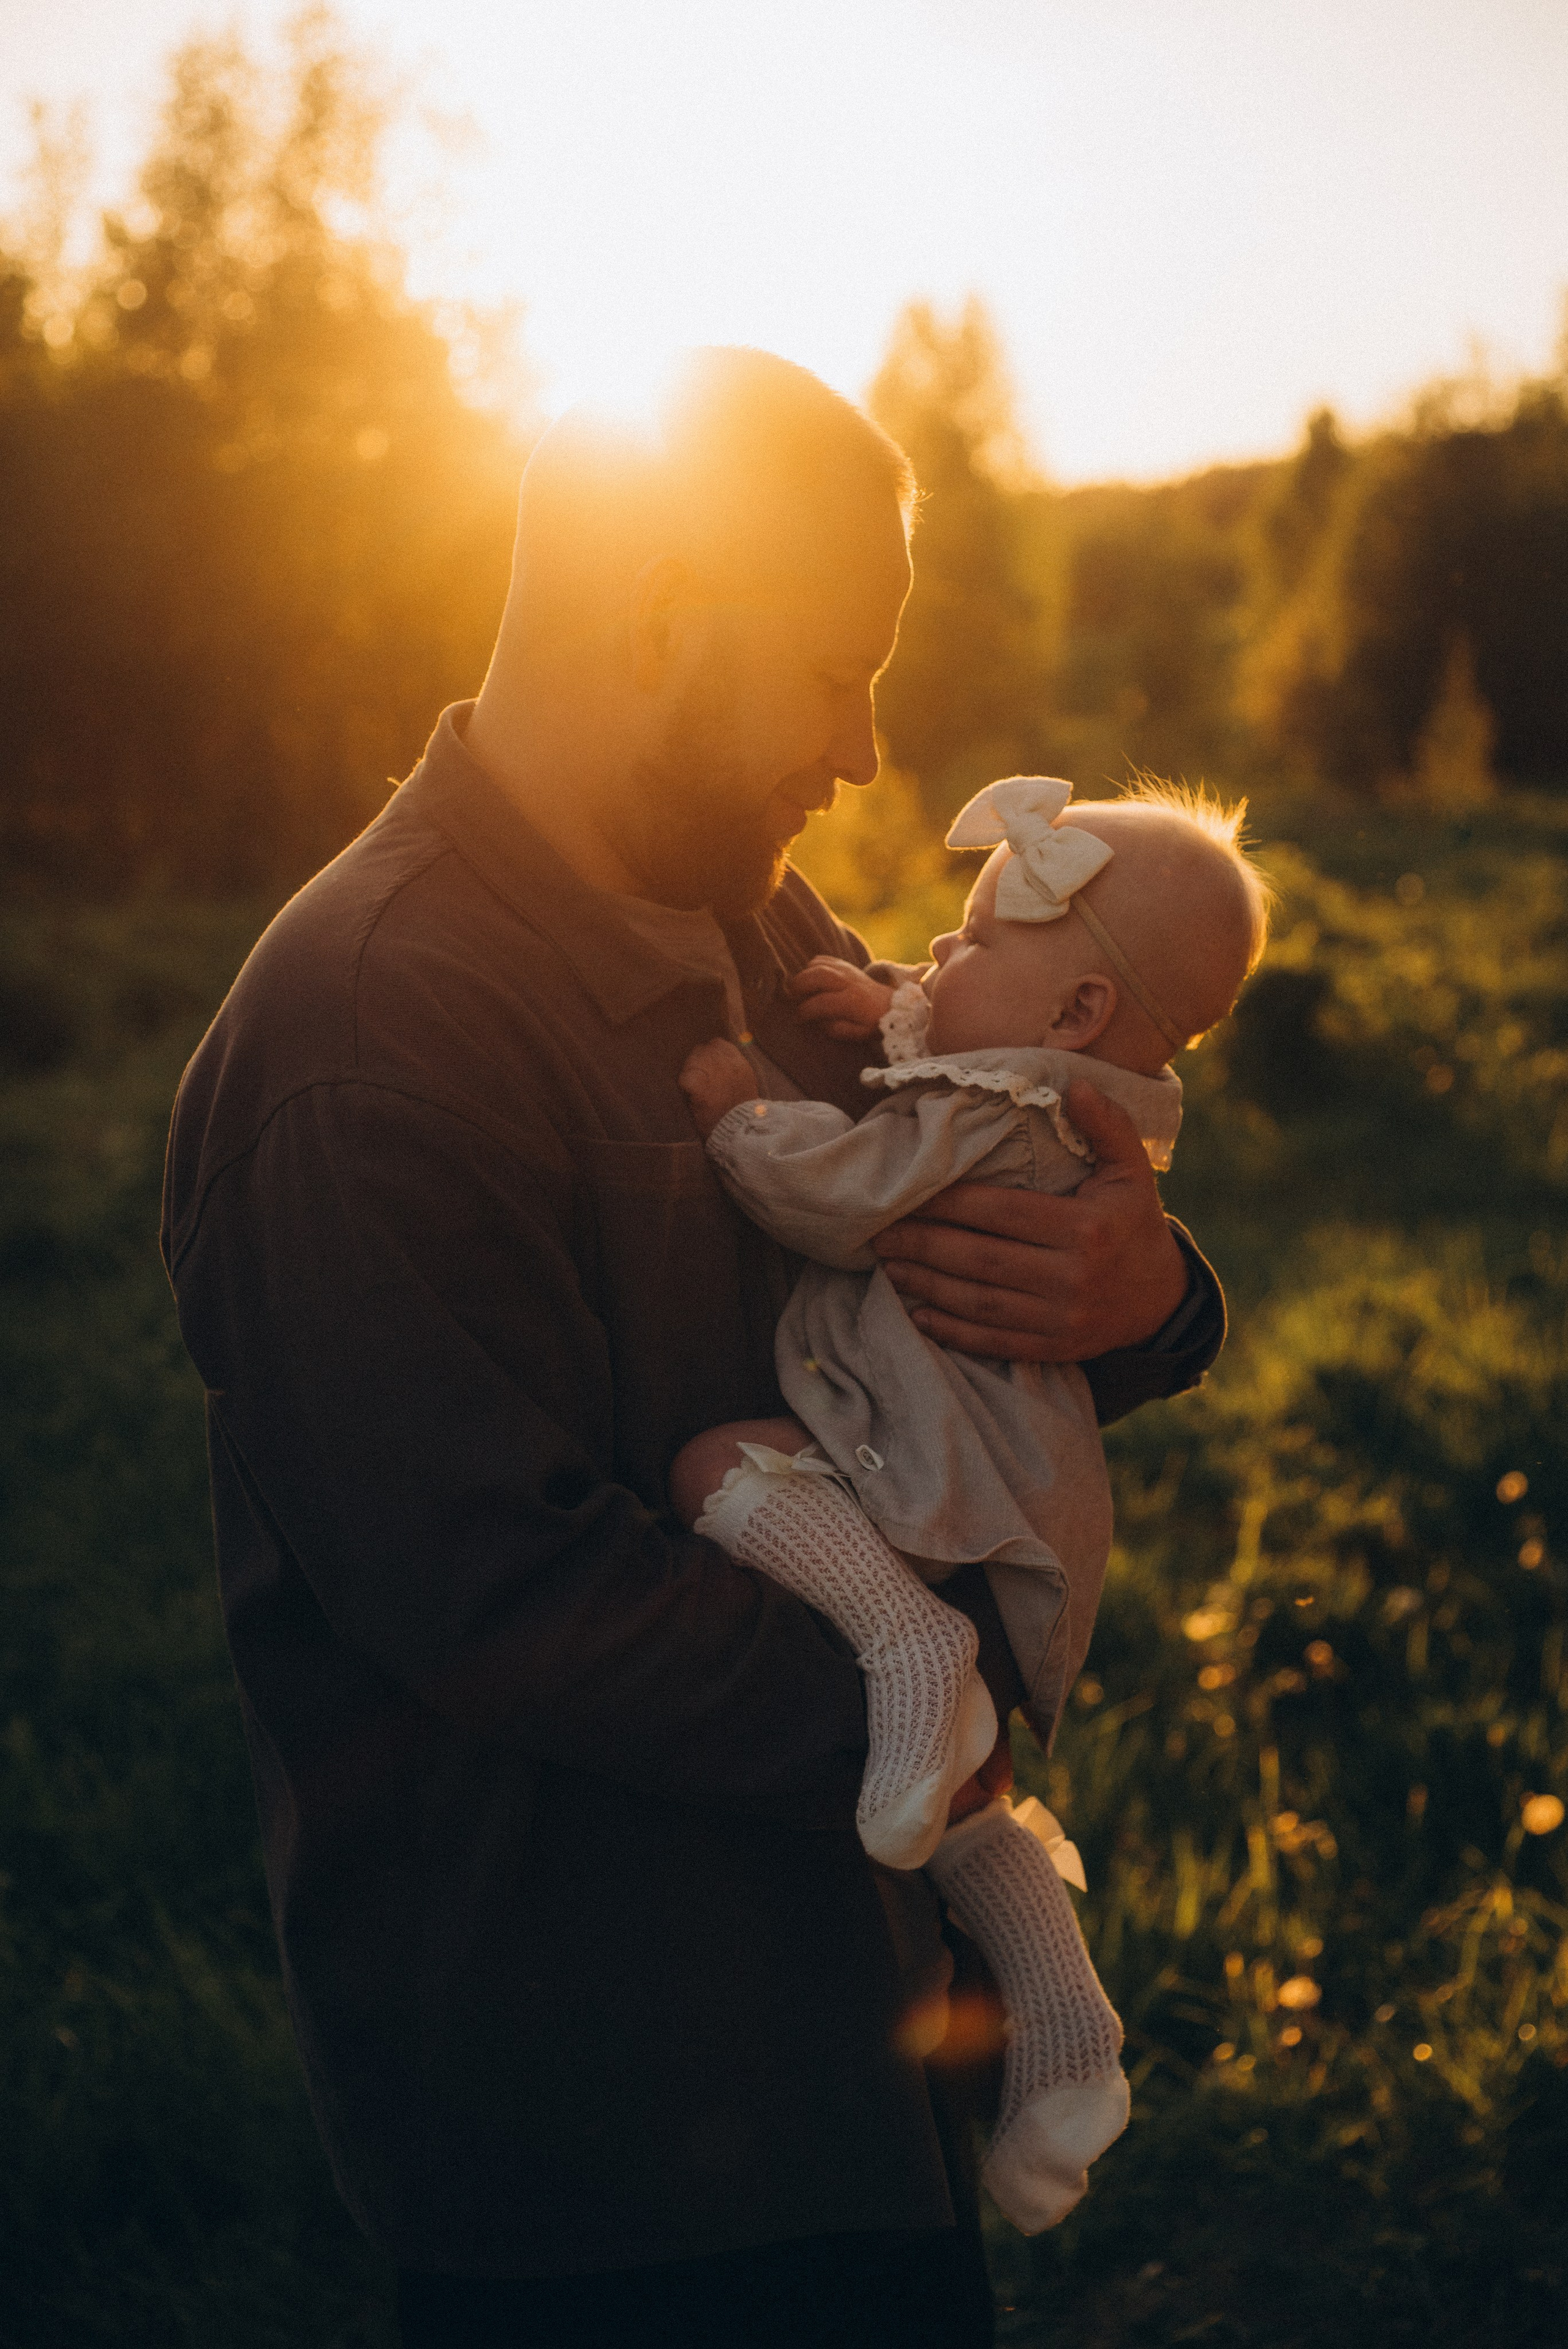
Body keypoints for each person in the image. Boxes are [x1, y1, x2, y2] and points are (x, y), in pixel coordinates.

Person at [160, 349, 1227, 2349]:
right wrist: (947, 1695)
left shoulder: (736, 906)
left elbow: (953, 1211)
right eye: (834, 670)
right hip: (611, 2145)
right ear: (661, 627)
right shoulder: (364, 1038)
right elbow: (506, 1594)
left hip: (852, 2046)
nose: (863, 742)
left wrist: (1145, 1294)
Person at [669, 772, 1270, 2233]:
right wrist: (884, 998)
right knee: (965, 1805)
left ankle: (901, 1641)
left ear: (1071, 1015)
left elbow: (861, 1182)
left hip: (933, 1480)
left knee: (714, 1465)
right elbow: (954, 1049)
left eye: (960, 941)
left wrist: (746, 1117)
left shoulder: (1009, 1110)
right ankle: (1067, 2043)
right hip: (985, 1489)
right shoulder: (1054, 1084)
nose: (927, 961)